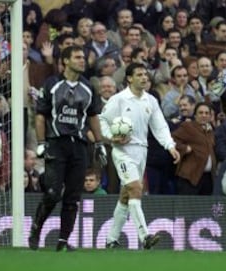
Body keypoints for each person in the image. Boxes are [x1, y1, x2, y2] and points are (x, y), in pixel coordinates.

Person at [28, 45, 107, 252]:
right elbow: (40, 115)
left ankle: (63, 241)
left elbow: (93, 116)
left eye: (83, 57)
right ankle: (36, 227)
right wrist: (42, 142)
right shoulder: (52, 84)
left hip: (79, 145)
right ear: (65, 61)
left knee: (73, 195)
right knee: (54, 192)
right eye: (78, 57)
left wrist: (99, 143)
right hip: (56, 142)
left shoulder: (89, 87)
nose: (83, 60)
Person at [99, 62, 180, 249]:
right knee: (136, 188)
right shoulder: (119, 99)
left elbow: (159, 125)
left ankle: (111, 239)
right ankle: (145, 237)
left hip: (142, 150)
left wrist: (170, 146)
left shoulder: (150, 100)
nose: (144, 78)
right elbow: (102, 120)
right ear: (129, 78)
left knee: (126, 196)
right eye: (140, 74)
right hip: (122, 151)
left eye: (146, 74)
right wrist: (112, 137)